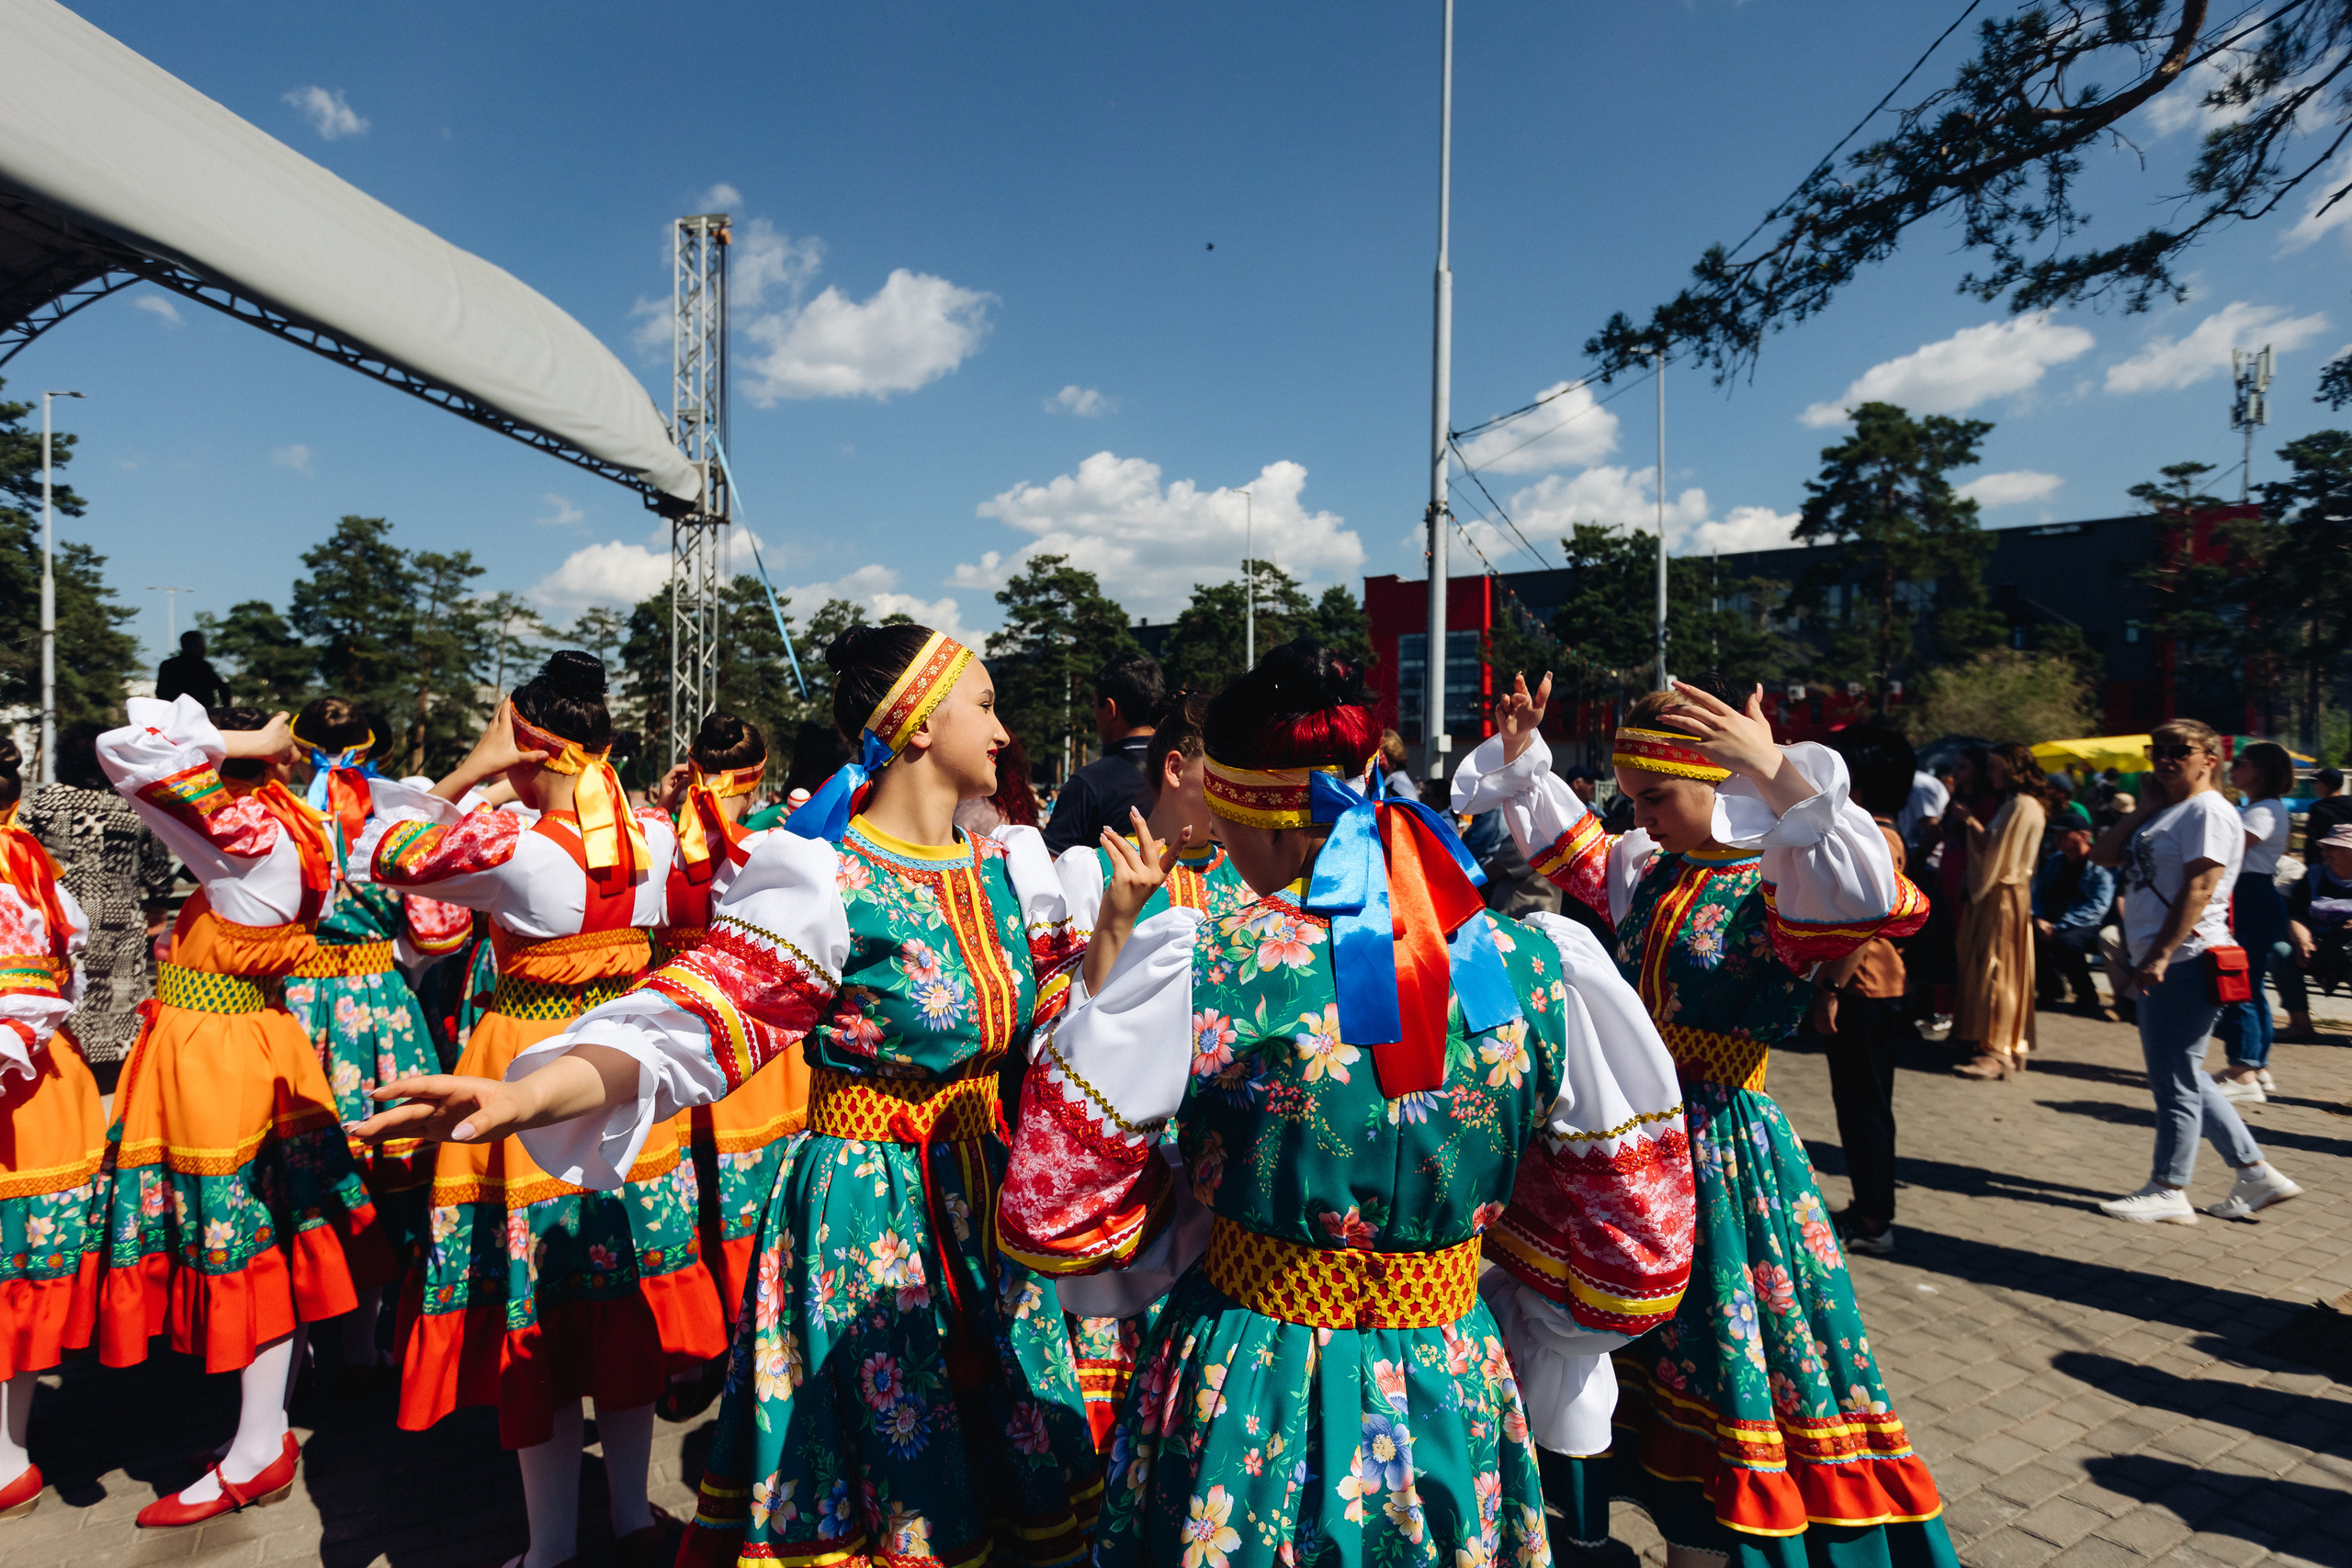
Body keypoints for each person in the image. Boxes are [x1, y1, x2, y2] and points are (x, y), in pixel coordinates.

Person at [361, 625, 1111, 1568]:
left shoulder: (1012, 875)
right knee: (893, 1467)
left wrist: (1119, 945)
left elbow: (1059, 1034)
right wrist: (526, 1096)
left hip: (979, 1203)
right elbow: (694, 1023)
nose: (1005, 732)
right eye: (988, 705)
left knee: (1004, 1463)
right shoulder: (826, 883)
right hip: (865, 1210)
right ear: (915, 725)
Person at [1002, 638, 1695, 1562]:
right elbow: (1637, 1251)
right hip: (1451, 1369)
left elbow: (1055, 1213)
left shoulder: (1204, 962)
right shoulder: (1540, 967)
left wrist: (1210, 1196)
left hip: (1251, 1370)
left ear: (1264, 818)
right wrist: (1492, 1276)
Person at [1454, 671, 1954, 1567]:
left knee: (1726, 1364)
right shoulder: (1650, 864)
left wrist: (1777, 771)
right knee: (1618, 1351)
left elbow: (1870, 893)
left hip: (1722, 1154)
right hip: (1630, 1143)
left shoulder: (1782, 875)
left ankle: (1712, 1549)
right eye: (1632, 799)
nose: (1638, 817)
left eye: (1656, 797)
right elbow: (1573, 844)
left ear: (1713, 778)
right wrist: (1525, 755)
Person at [369, 653, 727, 1568]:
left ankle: (548, 1547)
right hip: (625, 1062)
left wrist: (470, 768)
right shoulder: (654, 833)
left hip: (523, 1076)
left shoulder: (512, 847)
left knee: (543, 1315)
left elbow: (386, 855)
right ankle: (635, 1519)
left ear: (530, 747)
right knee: (620, 1299)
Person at [95, 698, 392, 1527]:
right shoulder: (292, 821)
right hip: (251, 1039)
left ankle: (259, 1445)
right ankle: (260, 1432)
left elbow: (122, 750)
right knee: (271, 1234)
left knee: (245, 1242)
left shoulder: (246, 833)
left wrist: (240, 742)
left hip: (218, 1056)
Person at [1032, 690, 1249, 1458]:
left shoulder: (1245, 881)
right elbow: (1062, 1034)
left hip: (1214, 1181)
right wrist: (1117, 921)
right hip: (1128, 1174)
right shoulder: (1088, 871)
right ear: (1176, 767)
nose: (1234, 798)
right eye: (1220, 776)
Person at [278, 698, 465, 1386]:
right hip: (379, 1008)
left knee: (297, 1175)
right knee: (386, 1166)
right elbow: (437, 934)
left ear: (299, 750)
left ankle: (292, 1354)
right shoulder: (393, 820)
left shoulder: (284, 816)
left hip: (297, 1007)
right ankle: (366, 1334)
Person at [2090, 719, 2303, 1224]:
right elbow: (2101, 856)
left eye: (2178, 751)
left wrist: (2159, 956)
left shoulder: (2208, 811)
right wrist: (2145, 808)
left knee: (2173, 1082)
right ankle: (2256, 1173)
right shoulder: (2170, 811)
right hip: (2171, 958)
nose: (2164, 759)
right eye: (2156, 750)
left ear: (2210, 758)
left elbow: (2201, 890)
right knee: (2185, 1074)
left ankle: (2169, 1188)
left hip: (2186, 959)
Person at [652, 713, 810, 1340]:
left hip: (672, 1015)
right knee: (758, 1188)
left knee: (688, 1186)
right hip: (752, 1029)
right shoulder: (766, 850)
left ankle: (691, 1340)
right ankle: (761, 1328)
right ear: (760, 772)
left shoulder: (654, 838)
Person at [0, 739, 107, 1521]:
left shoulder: (15, 865)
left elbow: (20, 1000)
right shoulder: (28, 856)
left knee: (14, 1276)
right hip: (40, 1083)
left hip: (20, 1086)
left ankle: (6, 1454)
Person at [1814, 727, 1922, 1258]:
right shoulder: (1871, 829)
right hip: (1859, 987)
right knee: (1856, 1103)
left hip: (1865, 988)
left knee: (1866, 1107)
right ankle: (1866, 1206)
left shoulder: (1878, 835)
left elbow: (1865, 922)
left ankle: (1876, 1219)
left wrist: (1830, 987)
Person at [16, 720, 176, 1065]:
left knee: (62, 981)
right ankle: (117, 1053)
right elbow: (156, 861)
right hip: (118, 915)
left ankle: (64, 1056)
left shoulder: (40, 800)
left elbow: (16, 852)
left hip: (56, 916)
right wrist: (158, 904)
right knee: (118, 987)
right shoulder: (133, 805)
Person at [1951, 742, 2051, 1079]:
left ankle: (1998, 1049)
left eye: (1995, 767)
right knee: (1989, 967)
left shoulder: (2023, 805)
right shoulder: (2015, 803)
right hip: (1999, 895)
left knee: (1999, 971)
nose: (1990, 773)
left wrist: (1968, 821)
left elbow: (1997, 852)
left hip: (2004, 895)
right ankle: (1990, 1041)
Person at [2213, 741, 2297, 1100]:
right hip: (2253, 898)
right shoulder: (2260, 808)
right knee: (2252, 985)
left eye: (2240, 763)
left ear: (2261, 771)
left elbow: (2224, 846)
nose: (2233, 768)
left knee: (2239, 983)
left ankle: (2242, 1070)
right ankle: (2256, 1066)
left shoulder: (2263, 811)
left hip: (2251, 898)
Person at [1041, 653, 1164, 855]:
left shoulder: (1088, 782)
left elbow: (1052, 862)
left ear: (1110, 709)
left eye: (1094, 705)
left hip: (1110, 887)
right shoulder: (1187, 771)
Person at [2033, 827, 2116, 1017]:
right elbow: (2040, 893)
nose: (2058, 839)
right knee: (2028, 934)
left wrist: (2059, 926)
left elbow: (2099, 906)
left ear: (2084, 836)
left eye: (2064, 833)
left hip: (2090, 922)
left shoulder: (2099, 863)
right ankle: (2051, 988)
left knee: (2067, 942)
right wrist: (2039, 918)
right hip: (2053, 920)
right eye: (2056, 834)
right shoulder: (2056, 860)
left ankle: (2087, 995)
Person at [153, 630, 231, 711]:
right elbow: (223, 689)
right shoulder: (201, 665)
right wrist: (226, 710)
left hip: (175, 713)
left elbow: (160, 692)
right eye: (202, 644)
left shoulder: (167, 665)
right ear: (197, 645)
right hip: (200, 714)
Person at [2301, 765, 2351, 857]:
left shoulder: (2319, 808)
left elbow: (2313, 842)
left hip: (2327, 862)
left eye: (2317, 783)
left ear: (2322, 785)